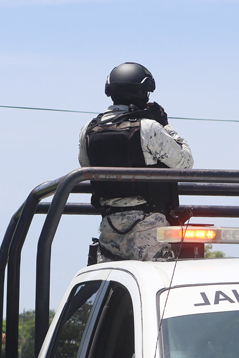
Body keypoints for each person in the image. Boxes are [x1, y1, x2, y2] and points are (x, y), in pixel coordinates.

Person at [78, 61, 194, 262]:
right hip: (148, 227)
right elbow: (184, 163)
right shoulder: (149, 127)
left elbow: (86, 167)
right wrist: (165, 125)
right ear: (143, 93)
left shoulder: (88, 129)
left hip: (109, 227)